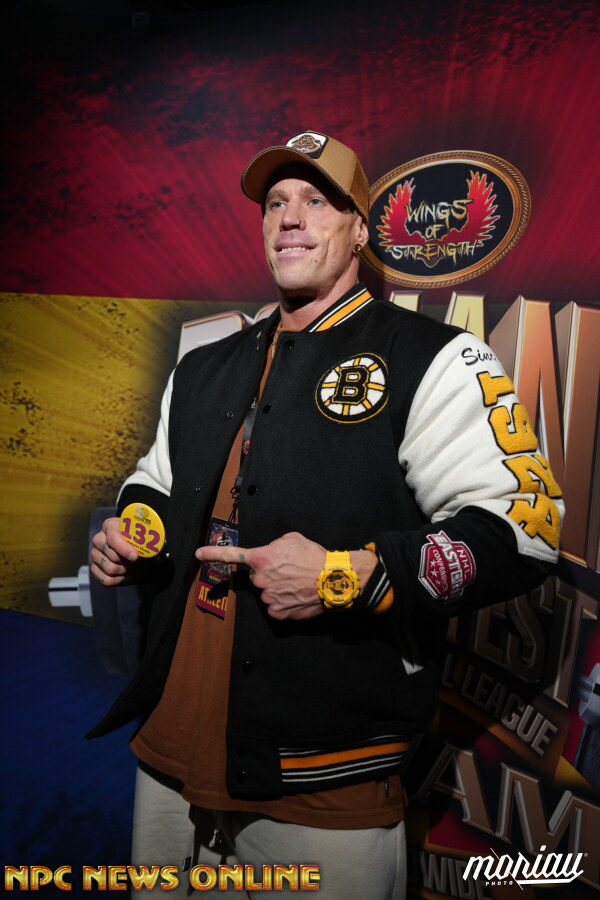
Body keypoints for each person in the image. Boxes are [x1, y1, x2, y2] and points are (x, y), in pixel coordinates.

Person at [88, 131, 564, 898]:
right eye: (276, 202)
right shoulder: (204, 367)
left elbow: (523, 533)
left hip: (324, 789)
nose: (290, 218)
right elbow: (155, 480)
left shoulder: (432, 358)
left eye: (317, 201)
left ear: (360, 230)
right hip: (167, 760)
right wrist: (136, 528)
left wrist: (348, 578)